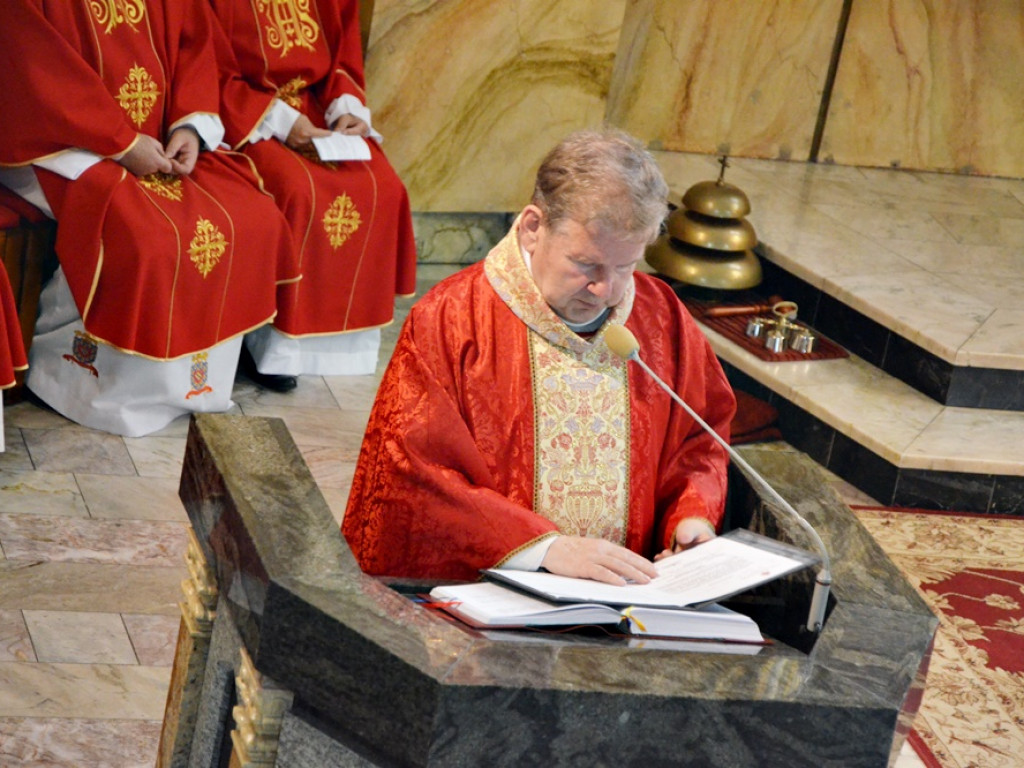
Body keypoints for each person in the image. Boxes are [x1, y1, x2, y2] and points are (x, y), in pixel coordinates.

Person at [343, 128, 736, 585]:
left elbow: (700, 439)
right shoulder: (452, 319)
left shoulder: (660, 316)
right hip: (491, 603)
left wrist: (691, 518)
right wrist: (544, 549)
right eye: (586, 264)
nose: (606, 290)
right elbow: (412, 473)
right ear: (533, 228)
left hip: (628, 602)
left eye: (625, 267)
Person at [0, 0, 298, 437]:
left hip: (154, 137)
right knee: (145, 233)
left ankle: (195, 384)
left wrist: (189, 126)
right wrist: (120, 143)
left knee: (252, 216)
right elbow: (31, 61)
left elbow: (194, 41)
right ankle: (88, 385)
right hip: (54, 139)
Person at [206, 0, 417, 381]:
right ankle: (271, 348)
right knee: (297, 190)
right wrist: (284, 122)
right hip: (251, 114)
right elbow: (209, 68)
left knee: (384, 188)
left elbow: (342, 54)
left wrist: (346, 110)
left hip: (316, 108)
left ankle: (342, 350)